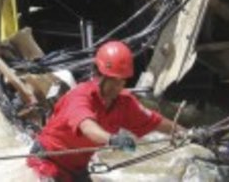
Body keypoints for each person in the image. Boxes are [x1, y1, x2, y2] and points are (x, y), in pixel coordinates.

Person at [27, 40, 185, 181]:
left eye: (122, 81)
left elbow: (155, 122)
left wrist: (186, 133)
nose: (118, 87)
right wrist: (112, 139)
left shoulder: (125, 102)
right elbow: (88, 127)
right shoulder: (80, 96)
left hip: (76, 170)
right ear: (99, 75)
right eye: (113, 81)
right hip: (46, 161)